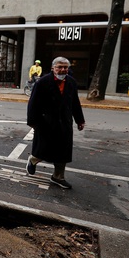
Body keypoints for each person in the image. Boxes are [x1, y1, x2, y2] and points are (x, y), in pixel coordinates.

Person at [26, 56, 86, 189]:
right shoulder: (42, 82)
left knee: (62, 151)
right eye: (59, 67)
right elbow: (33, 104)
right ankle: (33, 160)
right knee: (43, 148)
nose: (62, 70)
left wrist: (80, 120)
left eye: (65, 67)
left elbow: (75, 102)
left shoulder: (71, 82)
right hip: (45, 122)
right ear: (53, 68)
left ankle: (58, 177)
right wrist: (33, 122)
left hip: (64, 122)